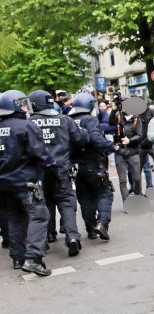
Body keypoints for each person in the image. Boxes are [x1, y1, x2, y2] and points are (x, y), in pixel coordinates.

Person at [0, 90, 57, 275]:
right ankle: (33, 258)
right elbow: (41, 154)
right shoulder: (25, 126)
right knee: (39, 216)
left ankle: (18, 257)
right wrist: (53, 168)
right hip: (26, 181)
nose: (25, 107)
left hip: (5, 184)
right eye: (22, 104)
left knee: (15, 218)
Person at [29, 90, 89, 256]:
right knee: (66, 202)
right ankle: (72, 237)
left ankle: (48, 235)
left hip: (39, 172)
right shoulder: (65, 120)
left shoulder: (29, 122)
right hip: (61, 169)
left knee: (43, 203)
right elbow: (81, 139)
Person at [69, 92, 115, 241]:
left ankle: (90, 229)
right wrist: (112, 146)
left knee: (85, 198)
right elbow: (96, 139)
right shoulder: (89, 119)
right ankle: (102, 223)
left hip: (76, 166)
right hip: (92, 163)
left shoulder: (68, 120)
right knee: (105, 193)